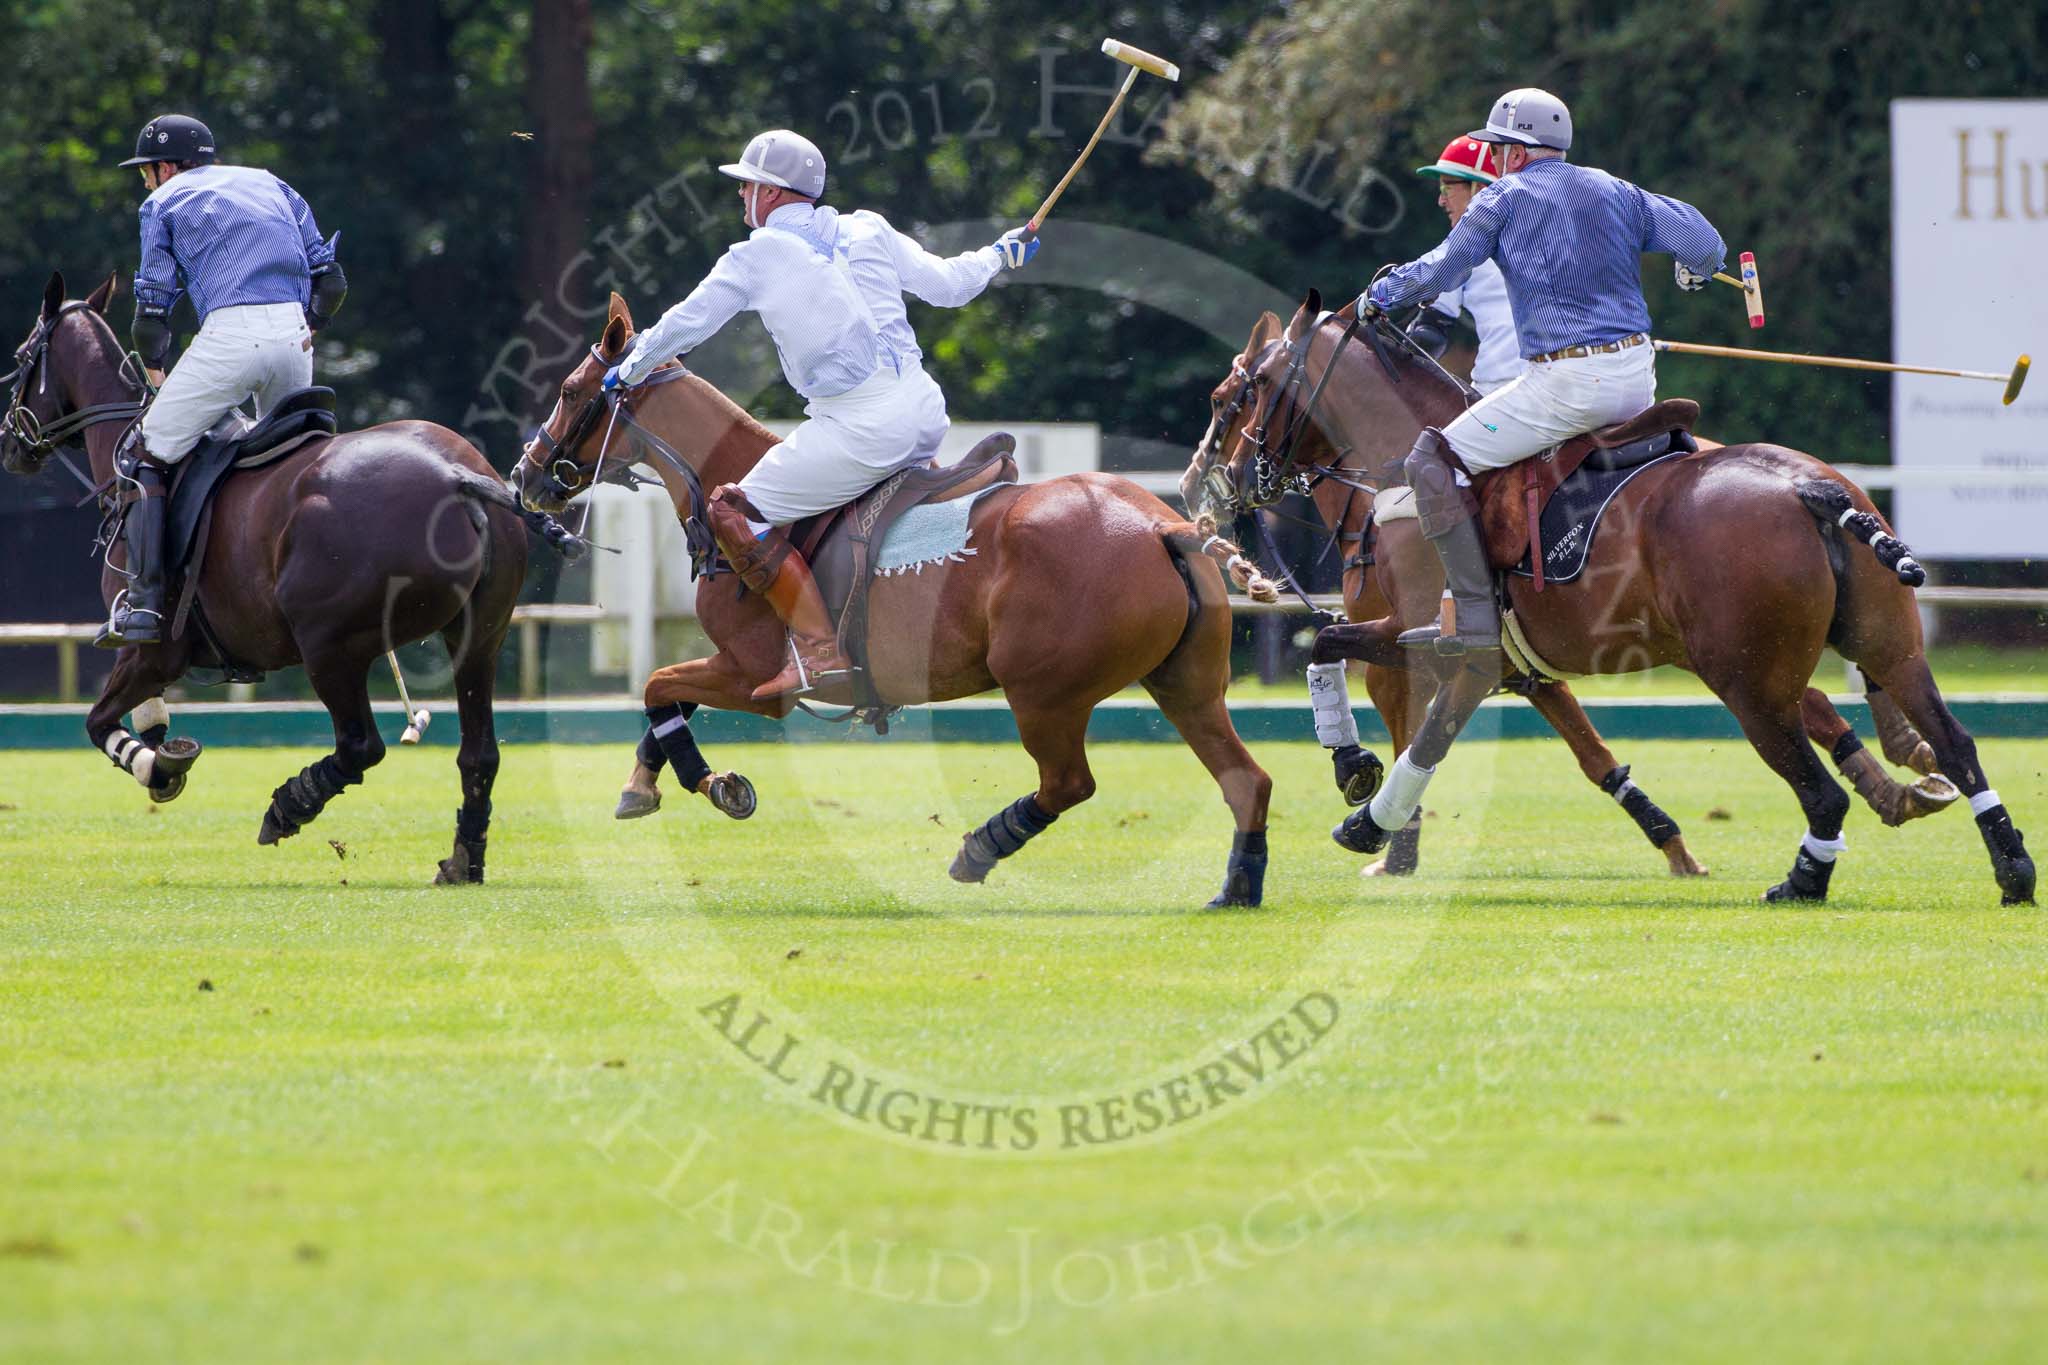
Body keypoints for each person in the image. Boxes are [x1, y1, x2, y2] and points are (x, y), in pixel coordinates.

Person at [1340, 87, 1725, 852]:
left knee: (1432, 454)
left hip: (1566, 380)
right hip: (1635, 379)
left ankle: (1476, 613)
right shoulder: (1617, 189)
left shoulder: (1502, 199)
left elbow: (1438, 268)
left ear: (1510, 151)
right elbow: (1705, 243)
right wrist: (1690, 275)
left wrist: (1377, 295)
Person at [607, 128, 1039, 700]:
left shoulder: (756, 255)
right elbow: (952, 285)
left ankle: (817, 648)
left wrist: (630, 368)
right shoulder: (869, 227)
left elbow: (689, 323)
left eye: (748, 186)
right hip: (926, 409)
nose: (741, 197)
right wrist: (999, 253)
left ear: (773, 193)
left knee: (734, 512)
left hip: (862, 428)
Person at [101, 114, 345, 647]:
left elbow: (151, 313)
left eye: (146, 171)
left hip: (230, 336)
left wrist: (158, 372)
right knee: (295, 461)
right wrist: (310, 327)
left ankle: (143, 605)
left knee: (146, 450)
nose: (145, 181)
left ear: (166, 166)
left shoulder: (161, 203)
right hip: (293, 335)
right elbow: (332, 282)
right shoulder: (270, 182)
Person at [1403, 135, 1523, 396]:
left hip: (1503, 387)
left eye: (1447, 187)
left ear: (1480, 189)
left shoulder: (1461, 249)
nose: (1441, 200)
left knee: (1443, 439)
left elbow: (1428, 335)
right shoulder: (1547, 232)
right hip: (1577, 379)